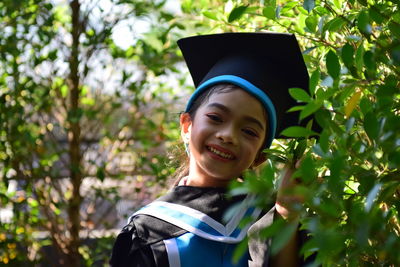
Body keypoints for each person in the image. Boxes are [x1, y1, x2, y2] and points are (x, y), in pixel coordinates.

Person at [110, 32, 316, 267]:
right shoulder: (149, 230)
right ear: (187, 126)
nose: (228, 135)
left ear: (259, 157)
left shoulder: (271, 214)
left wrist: (287, 215)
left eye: (249, 132)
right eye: (216, 117)